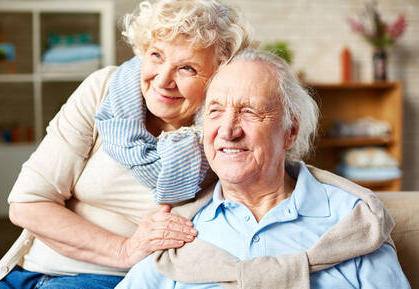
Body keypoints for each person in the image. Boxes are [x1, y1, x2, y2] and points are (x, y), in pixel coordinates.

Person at [0, 1, 253, 288]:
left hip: (110, 280)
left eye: (187, 68)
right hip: (26, 272)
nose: (163, 80)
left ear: (219, 77)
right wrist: (124, 249)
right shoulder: (105, 90)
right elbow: (27, 204)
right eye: (156, 55)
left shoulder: (225, 135)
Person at [117, 49, 411, 288]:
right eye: (215, 111)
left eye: (249, 112)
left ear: (290, 131)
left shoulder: (355, 222)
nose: (228, 131)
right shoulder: (179, 232)